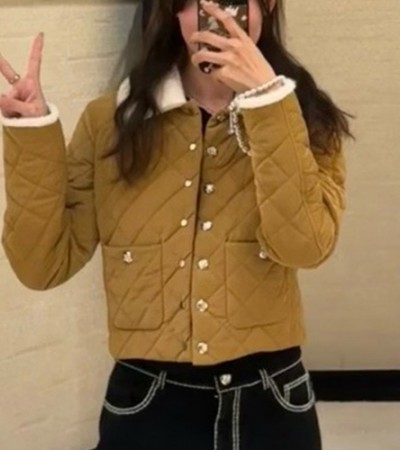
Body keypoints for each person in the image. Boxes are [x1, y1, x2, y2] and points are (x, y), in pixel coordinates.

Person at [0, 0, 354, 449]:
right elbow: (43, 265)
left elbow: (306, 246)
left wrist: (267, 103)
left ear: (265, 6)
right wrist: (32, 136)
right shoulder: (109, 123)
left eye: (233, 2)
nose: (216, 17)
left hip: (270, 397)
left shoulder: (303, 116)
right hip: (147, 400)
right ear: (170, 11)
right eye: (196, 3)